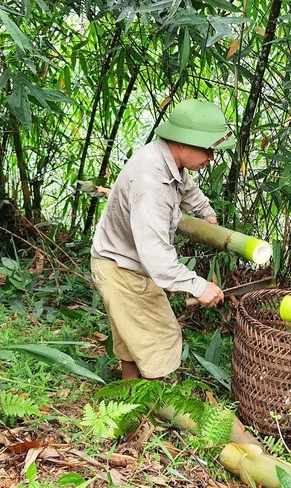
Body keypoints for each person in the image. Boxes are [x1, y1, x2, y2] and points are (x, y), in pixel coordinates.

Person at [90, 99, 235, 380]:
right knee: (160, 337)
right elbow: (155, 254)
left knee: (133, 336)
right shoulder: (152, 184)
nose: (211, 157)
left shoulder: (165, 159)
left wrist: (205, 212)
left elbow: (187, 187)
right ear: (182, 142)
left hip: (118, 261)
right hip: (122, 269)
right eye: (206, 149)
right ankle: (157, 405)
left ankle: (129, 395)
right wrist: (198, 286)